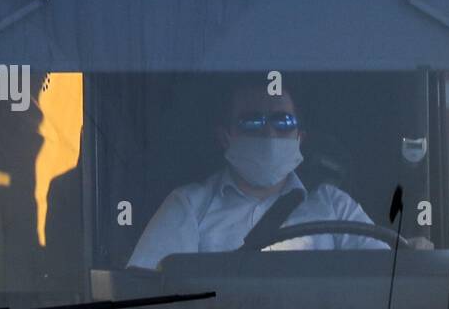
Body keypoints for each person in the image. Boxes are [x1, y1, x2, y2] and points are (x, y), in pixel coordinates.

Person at [128, 81, 391, 269]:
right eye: (251, 122)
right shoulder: (188, 206)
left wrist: (413, 257)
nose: (269, 133)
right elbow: (147, 295)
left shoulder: (335, 205)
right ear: (224, 137)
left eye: (283, 122)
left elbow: (386, 279)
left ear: (300, 138)